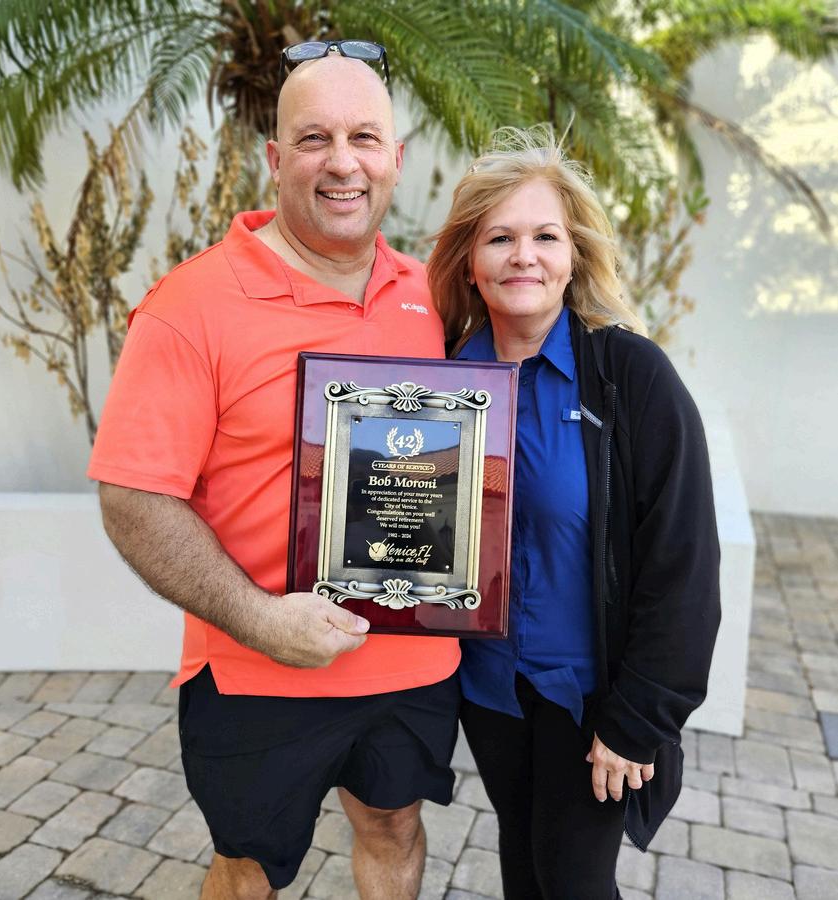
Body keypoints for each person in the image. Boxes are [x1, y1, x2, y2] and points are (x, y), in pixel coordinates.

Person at [88, 46, 461, 900]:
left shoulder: (435, 296)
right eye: (313, 138)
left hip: (414, 661)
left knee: (395, 826)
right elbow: (134, 498)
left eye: (364, 138)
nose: (342, 162)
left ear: (396, 159)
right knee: (250, 866)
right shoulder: (190, 306)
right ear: (275, 158)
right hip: (258, 667)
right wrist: (258, 620)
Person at [426, 127, 721, 900]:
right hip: (488, 693)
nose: (522, 256)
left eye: (544, 236)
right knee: (524, 869)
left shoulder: (630, 376)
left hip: (591, 704)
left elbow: (683, 562)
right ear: (468, 260)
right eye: (499, 238)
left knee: (573, 883)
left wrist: (638, 719)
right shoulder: (435, 386)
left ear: (574, 256)